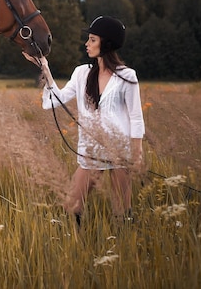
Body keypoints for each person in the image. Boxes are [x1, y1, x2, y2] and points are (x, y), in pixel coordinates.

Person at [24, 16, 145, 227]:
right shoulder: (82, 73)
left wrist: (137, 152)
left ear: (106, 43)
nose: (86, 44)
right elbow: (58, 98)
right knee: (73, 206)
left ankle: (124, 245)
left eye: (92, 40)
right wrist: (45, 67)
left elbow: (136, 117)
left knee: (121, 212)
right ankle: (76, 242)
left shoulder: (127, 76)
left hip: (120, 152)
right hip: (90, 150)